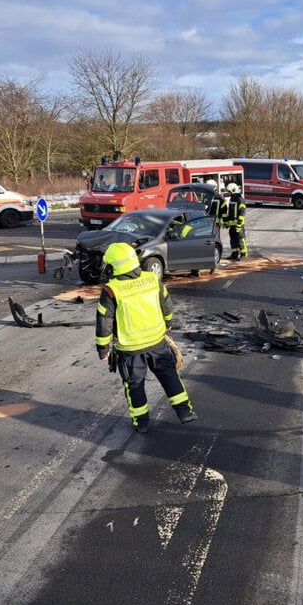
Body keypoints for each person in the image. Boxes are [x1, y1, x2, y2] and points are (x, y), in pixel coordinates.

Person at [95, 242, 197, 433]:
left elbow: (104, 321)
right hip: (157, 342)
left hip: (131, 349)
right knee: (169, 375)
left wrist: (103, 348)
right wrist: (168, 322)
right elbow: (166, 302)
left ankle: (141, 423)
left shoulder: (111, 290)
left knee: (135, 386)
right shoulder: (152, 279)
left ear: (112, 266)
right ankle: (184, 411)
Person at [220, 183, 248, 260]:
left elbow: (242, 213)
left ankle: (243, 254)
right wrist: (226, 223)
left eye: (228, 191)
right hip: (232, 225)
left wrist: (239, 225)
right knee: (233, 239)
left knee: (240, 239)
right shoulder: (232, 199)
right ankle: (234, 254)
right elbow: (231, 212)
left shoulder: (240, 200)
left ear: (233, 190)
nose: (227, 193)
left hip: (238, 225)